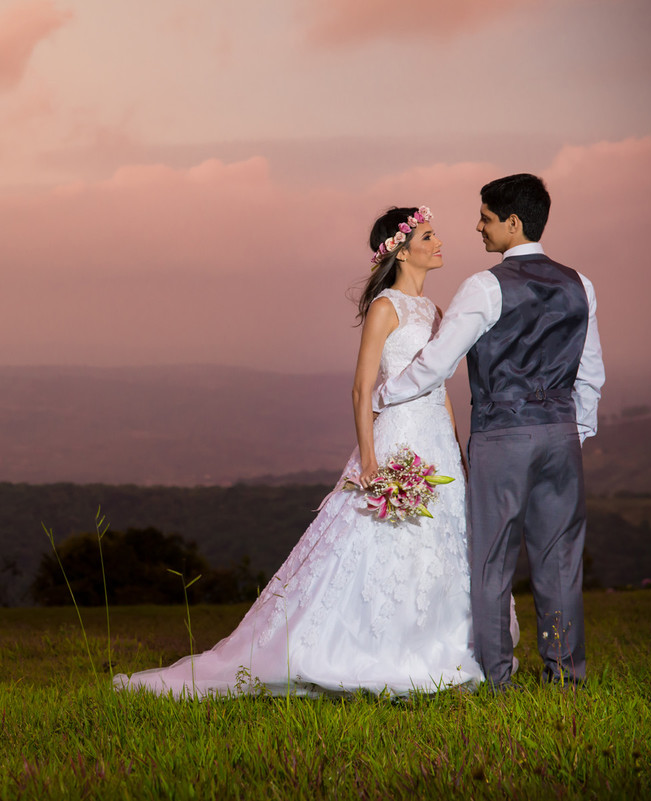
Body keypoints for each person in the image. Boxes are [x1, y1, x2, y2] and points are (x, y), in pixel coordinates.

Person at [114, 206, 489, 698]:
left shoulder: (436, 312)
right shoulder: (386, 307)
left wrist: (456, 446)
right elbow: (361, 389)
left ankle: (434, 645)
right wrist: (370, 458)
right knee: (380, 541)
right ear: (400, 249)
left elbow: (440, 387)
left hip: (436, 439)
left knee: (436, 545)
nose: (440, 242)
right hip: (398, 437)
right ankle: (366, 649)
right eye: (428, 234)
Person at [375, 174, 603, 689]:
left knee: (492, 559)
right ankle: (565, 676)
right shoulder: (580, 284)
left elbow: (436, 363)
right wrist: (576, 429)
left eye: (485, 218)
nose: (478, 227)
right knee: (560, 558)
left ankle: (496, 677)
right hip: (561, 434)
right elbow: (591, 371)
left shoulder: (484, 286)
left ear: (513, 223)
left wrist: (384, 395)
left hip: (503, 436)